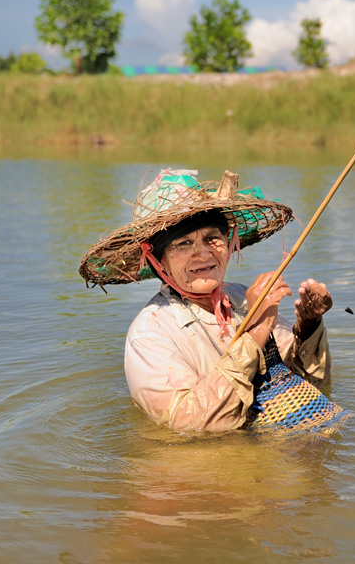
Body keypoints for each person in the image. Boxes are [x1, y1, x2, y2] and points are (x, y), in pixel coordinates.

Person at [80, 168, 336, 433]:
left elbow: (309, 385)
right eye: (183, 243)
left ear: (228, 242)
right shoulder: (150, 332)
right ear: (159, 262)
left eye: (212, 238)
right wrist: (257, 331)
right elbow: (193, 424)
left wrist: (308, 324)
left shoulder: (242, 297)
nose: (203, 254)